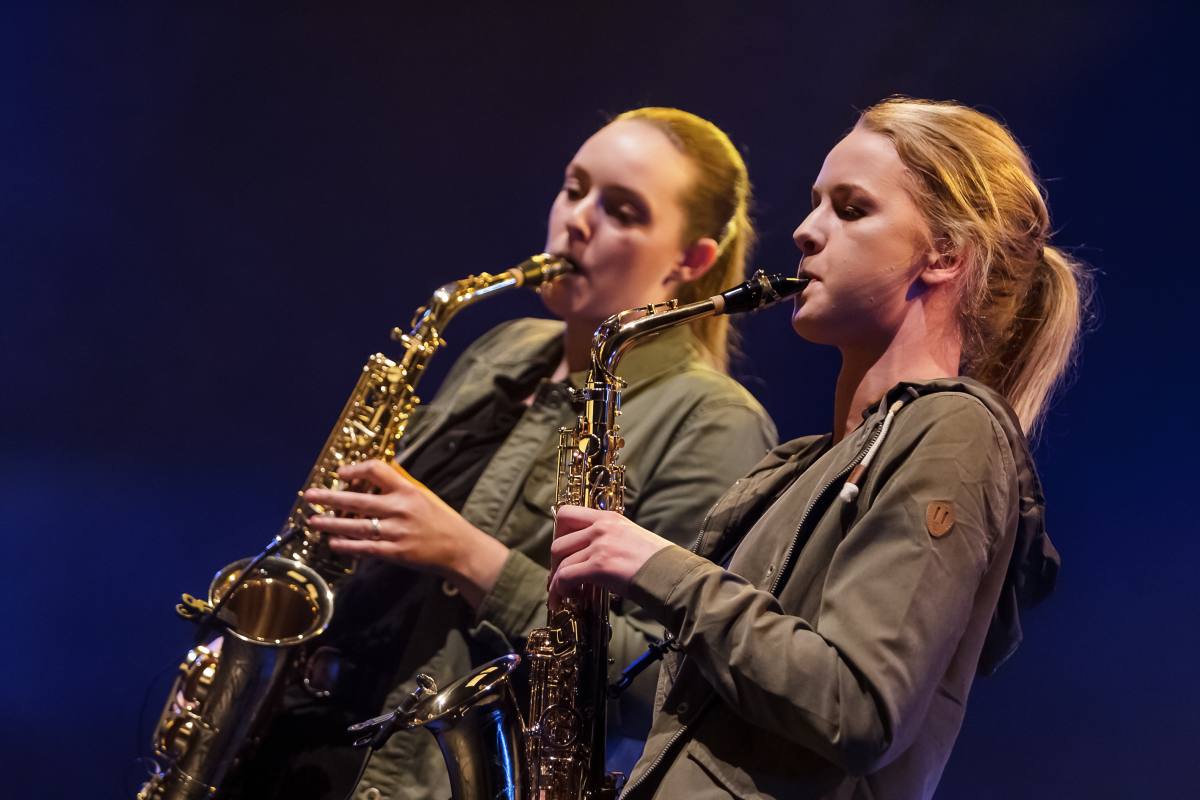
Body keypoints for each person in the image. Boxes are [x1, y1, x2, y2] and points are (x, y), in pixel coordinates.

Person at [548, 97, 1090, 799]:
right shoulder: (800, 465)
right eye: (814, 204)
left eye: (851, 208)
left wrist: (658, 568)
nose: (805, 231)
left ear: (945, 254)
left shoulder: (955, 430)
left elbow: (857, 706)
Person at [241, 107, 778, 800]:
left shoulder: (712, 421)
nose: (576, 220)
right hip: (306, 749)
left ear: (691, 261)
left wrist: (466, 556)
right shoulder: (507, 348)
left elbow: (661, 689)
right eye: (574, 187)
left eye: (621, 210)